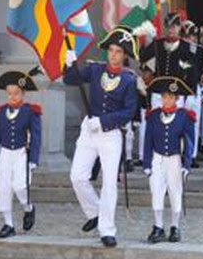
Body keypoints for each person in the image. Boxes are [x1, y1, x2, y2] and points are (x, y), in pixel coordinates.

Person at [64, 26, 138, 248]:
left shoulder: (129, 80)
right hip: (89, 131)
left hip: (110, 134)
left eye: (118, 51)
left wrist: (104, 121)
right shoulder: (95, 70)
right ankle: (94, 212)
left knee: (109, 183)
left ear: (124, 55)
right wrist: (68, 62)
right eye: (111, 50)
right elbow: (70, 79)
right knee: (77, 176)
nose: (113, 55)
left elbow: (129, 112)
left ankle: (107, 229)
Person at [0, 71, 42, 239]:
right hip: (5, 153)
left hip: (21, 153)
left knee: (20, 186)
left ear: (23, 93)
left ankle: (28, 208)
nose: (12, 97)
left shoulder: (31, 111)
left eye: (16, 93)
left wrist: (33, 158)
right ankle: (8, 224)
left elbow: (36, 136)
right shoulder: (0, 112)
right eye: (9, 93)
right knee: (4, 188)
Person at [143, 76, 195, 244]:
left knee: (175, 192)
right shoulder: (153, 115)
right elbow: (147, 140)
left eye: (171, 97)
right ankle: (158, 227)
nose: (167, 100)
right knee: (156, 191)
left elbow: (189, 142)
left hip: (175, 159)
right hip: (157, 159)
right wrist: (146, 163)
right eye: (165, 97)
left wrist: (186, 165)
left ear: (177, 99)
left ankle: (175, 226)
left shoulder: (184, 116)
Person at [140, 12, 198, 109]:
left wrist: (190, 92)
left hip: (176, 93)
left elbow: (192, 72)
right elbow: (142, 57)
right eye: (168, 26)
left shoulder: (187, 47)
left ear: (179, 28)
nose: (171, 29)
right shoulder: (157, 44)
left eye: (174, 26)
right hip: (158, 92)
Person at [181, 20, 203, 168]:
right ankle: (179, 154)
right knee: (178, 125)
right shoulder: (177, 50)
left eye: (193, 36)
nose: (191, 39)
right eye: (187, 36)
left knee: (194, 126)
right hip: (179, 94)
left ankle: (192, 155)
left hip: (194, 92)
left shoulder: (201, 51)